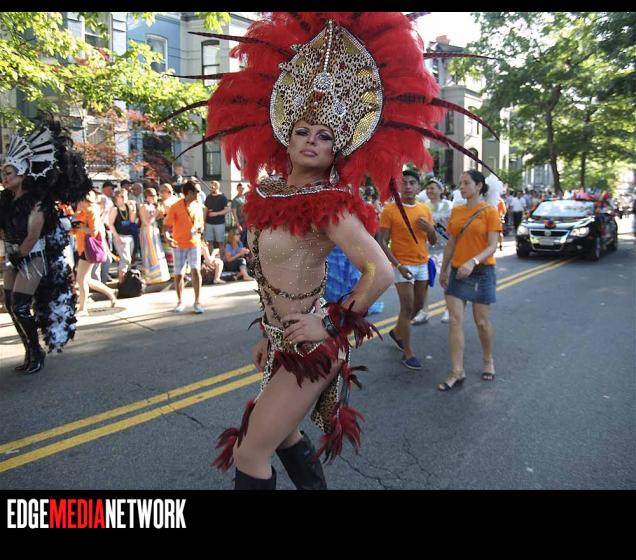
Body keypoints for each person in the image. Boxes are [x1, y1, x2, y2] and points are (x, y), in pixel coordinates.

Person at [168, 12, 497, 490]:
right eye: (303, 130)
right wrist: (270, 334)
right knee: (282, 436)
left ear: (336, 149)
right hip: (284, 342)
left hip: (313, 346)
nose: (312, 140)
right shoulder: (271, 195)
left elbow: (379, 271)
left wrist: (327, 324)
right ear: (286, 135)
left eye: (325, 136)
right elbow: (275, 278)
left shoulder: (331, 205)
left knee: (251, 451)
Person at [0, 115, 93, 373]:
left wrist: (17, 254)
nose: (4, 177)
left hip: (33, 258)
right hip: (14, 257)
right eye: (2, 173)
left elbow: (32, 236)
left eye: (8, 172)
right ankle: (29, 352)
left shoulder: (37, 202)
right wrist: (8, 251)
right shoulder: (4, 201)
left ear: (22, 173)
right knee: (11, 307)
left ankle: (36, 353)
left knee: (21, 306)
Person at [438, 170, 502, 391]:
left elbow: (492, 246)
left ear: (479, 186)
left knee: (481, 322)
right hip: (458, 271)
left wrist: (473, 262)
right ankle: (457, 371)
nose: (462, 187)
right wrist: (443, 270)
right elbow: (451, 243)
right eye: (460, 183)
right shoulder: (456, 211)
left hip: (482, 271)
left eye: (466, 183)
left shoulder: (490, 212)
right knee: (455, 320)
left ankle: (487, 359)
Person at [379, 169, 436, 370]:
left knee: (419, 306)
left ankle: (397, 332)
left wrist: (430, 230)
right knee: (408, 307)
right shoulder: (390, 210)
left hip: (422, 264)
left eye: (412, 183)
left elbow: (433, 240)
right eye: (404, 183)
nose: (408, 186)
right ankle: (408, 352)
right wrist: (398, 266)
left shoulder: (425, 210)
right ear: (398, 186)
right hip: (402, 265)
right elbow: (382, 242)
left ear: (418, 187)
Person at [73, 190, 118, 317]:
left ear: (84, 200)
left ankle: (83, 309)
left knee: (81, 279)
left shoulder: (91, 210)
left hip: (88, 248)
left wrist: (79, 227)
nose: (77, 203)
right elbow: (76, 231)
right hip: (82, 248)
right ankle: (110, 292)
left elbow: (94, 232)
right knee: (85, 279)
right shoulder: (81, 211)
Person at [163, 180, 205, 314]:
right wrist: (168, 238)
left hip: (194, 243)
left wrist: (200, 229)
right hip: (179, 244)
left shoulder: (198, 206)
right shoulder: (175, 207)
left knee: (196, 270)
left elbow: (201, 224)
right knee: (179, 274)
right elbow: (165, 227)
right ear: (190, 193)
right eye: (197, 191)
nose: (199, 194)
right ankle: (180, 302)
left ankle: (197, 302)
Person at [422, 178, 453, 323]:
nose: (429, 191)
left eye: (432, 188)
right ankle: (424, 311)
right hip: (427, 248)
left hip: (446, 248)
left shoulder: (450, 206)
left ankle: (448, 309)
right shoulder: (423, 206)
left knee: (445, 279)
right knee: (424, 280)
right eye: (428, 188)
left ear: (441, 190)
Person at [138, 187, 170, 284]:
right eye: (153, 196)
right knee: (150, 253)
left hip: (154, 230)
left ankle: (159, 276)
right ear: (147, 197)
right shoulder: (143, 207)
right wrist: (156, 213)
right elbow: (147, 222)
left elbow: (156, 218)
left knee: (157, 252)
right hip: (147, 231)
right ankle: (150, 277)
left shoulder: (152, 206)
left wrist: (160, 213)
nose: (155, 197)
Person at [108, 188, 136, 284]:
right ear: (117, 197)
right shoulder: (115, 209)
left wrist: (133, 208)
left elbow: (132, 220)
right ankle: (121, 283)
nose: (124, 198)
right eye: (122, 196)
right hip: (120, 235)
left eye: (125, 196)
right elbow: (110, 224)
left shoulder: (128, 207)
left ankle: (125, 282)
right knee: (125, 260)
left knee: (128, 260)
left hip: (129, 236)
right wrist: (116, 236)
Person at [204, 180, 230, 251]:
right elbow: (205, 209)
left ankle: (222, 257)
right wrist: (204, 221)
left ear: (217, 187)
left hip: (219, 223)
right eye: (210, 187)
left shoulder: (222, 197)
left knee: (221, 243)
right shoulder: (208, 197)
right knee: (209, 242)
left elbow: (227, 210)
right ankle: (210, 257)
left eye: (212, 187)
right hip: (209, 223)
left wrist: (216, 213)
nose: (211, 188)